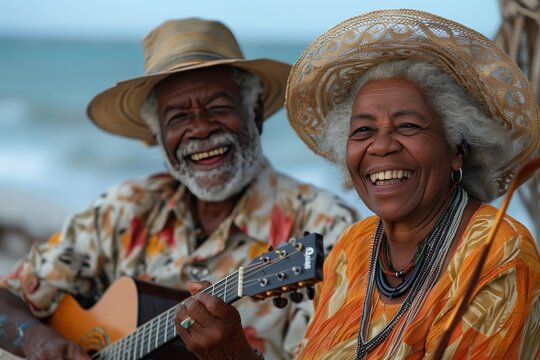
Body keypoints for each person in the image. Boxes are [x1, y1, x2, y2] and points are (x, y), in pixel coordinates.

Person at [171, 9, 540, 360]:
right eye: (362, 130)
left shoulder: (498, 253)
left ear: (457, 148)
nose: (380, 146)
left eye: (408, 125)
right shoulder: (355, 245)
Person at [0, 18, 357, 359]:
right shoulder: (124, 209)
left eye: (218, 107)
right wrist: (38, 341)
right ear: (158, 137)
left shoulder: (328, 229)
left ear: (256, 113)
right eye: (178, 117)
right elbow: (7, 298)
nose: (200, 129)